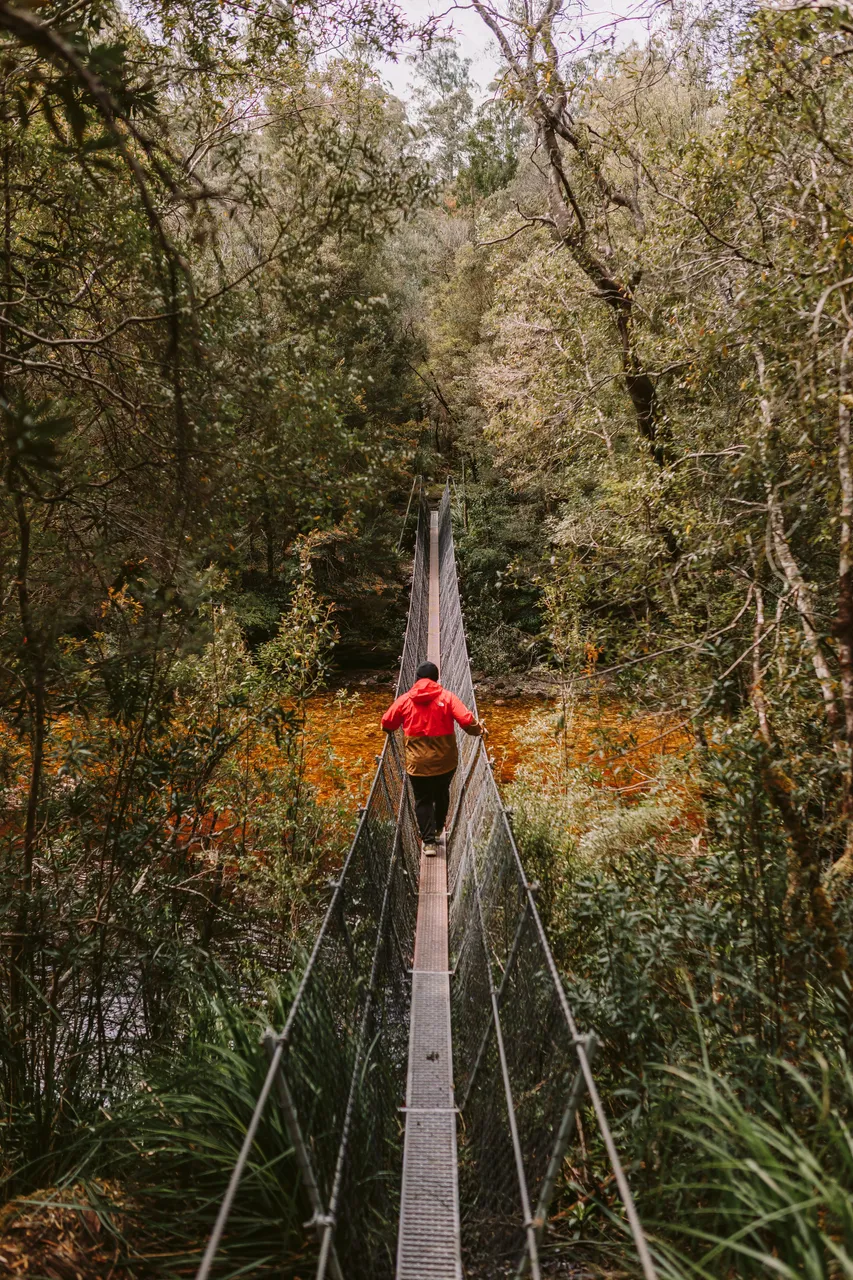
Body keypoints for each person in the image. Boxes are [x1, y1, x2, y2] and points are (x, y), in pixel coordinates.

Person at [381, 661, 485, 856]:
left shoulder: (405, 700)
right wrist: (479, 730)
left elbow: (387, 722)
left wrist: (387, 729)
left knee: (423, 799)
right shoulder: (447, 697)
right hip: (445, 762)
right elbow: (466, 720)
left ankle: (428, 843)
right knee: (441, 793)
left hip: (417, 764)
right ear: (436, 679)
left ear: (417, 679)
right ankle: (438, 829)